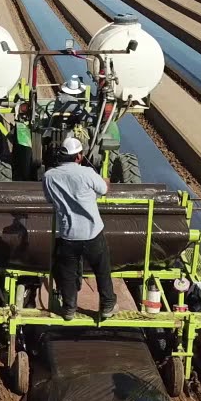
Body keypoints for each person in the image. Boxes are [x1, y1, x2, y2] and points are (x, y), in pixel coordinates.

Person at [42, 136, 115, 321]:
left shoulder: (49, 176)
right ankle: (107, 305)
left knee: (67, 273)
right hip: (92, 234)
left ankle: (69, 309)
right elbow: (104, 189)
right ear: (79, 156)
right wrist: (105, 181)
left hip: (68, 235)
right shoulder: (87, 173)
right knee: (102, 269)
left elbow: (50, 199)